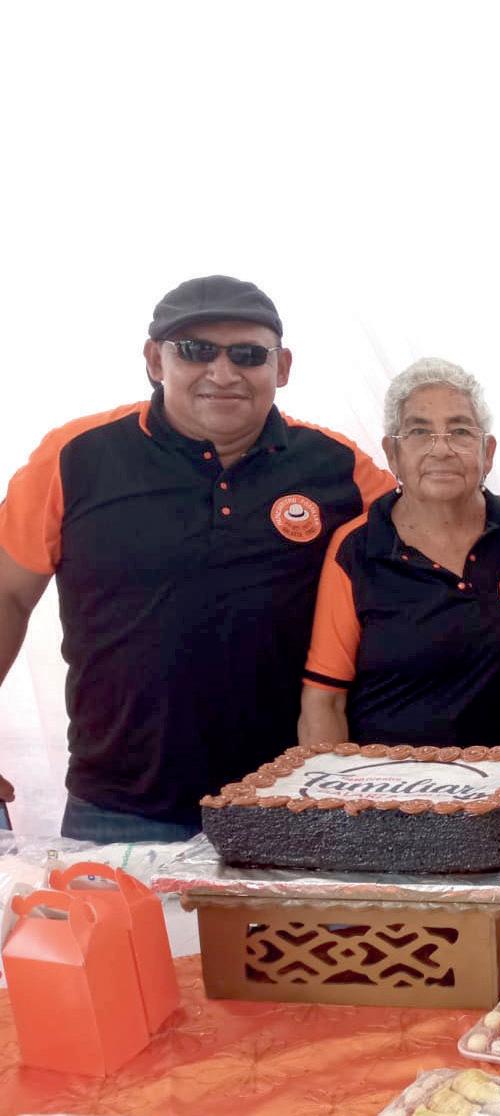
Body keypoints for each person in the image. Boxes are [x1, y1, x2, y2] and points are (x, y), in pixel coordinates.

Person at [0, 276, 392, 841]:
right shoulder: (76, 456)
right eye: (195, 350)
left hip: (290, 804)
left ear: (282, 367)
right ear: (154, 360)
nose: (223, 373)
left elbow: (428, 537)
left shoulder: (339, 467)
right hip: (118, 807)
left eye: (248, 355)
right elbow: (8, 594)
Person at [299, 359, 500, 746]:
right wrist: (333, 782)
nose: (441, 449)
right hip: (387, 776)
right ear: (392, 453)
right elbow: (324, 702)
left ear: (488, 451)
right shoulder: (356, 548)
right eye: (419, 432)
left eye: (460, 431)